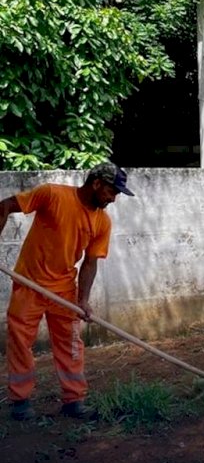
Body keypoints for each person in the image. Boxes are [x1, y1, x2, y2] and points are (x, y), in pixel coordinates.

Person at [0, 162, 134, 421]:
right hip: (29, 283)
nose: (113, 199)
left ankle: (74, 400)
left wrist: (83, 300)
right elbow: (5, 205)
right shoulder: (52, 194)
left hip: (64, 289)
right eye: (111, 192)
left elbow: (90, 262)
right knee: (20, 343)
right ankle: (20, 400)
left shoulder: (102, 221)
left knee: (71, 345)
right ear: (96, 183)